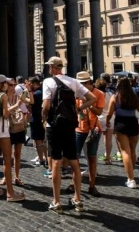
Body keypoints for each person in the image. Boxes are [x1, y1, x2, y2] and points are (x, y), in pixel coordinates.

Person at [42, 58, 96, 212]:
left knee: (56, 163)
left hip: (54, 125)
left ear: (52, 68)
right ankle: (78, 199)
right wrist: (78, 110)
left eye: (49, 67)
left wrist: (43, 117)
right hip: (70, 125)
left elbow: (46, 105)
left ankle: (56, 201)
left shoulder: (48, 82)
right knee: (74, 162)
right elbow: (91, 99)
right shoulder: (73, 81)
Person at [0, 75, 25, 202]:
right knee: (7, 160)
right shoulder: (3, 96)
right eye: (6, 83)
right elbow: (6, 114)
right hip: (2, 129)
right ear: (3, 84)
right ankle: (10, 193)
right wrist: (17, 105)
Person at [69, 72, 104, 196]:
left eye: (83, 84)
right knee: (75, 158)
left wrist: (88, 104)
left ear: (89, 83)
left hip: (93, 129)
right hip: (79, 129)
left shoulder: (99, 94)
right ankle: (74, 183)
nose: (81, 86)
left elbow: (99, 112)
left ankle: (92, 185)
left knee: (92, 157)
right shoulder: (76, 94)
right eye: (79, 84)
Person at [106, 77, 139, 188]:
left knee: (125, 152)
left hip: (120, 124)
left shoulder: (115, 97)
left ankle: (131, 179)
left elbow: (109, 113)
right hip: (133, 124)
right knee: (132, 150)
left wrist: (108, 121)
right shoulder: (134, 97)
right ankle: (131, 173)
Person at [27, 77, 47, 168]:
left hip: (36, 118)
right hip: (42, 118)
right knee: (43, 140)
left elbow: (30, 103)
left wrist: (26, 95)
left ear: (34, 83)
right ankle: (46, 158)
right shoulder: (43, 92)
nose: (29, 85)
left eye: (30, 83)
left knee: (38, 140)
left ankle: (41, 159)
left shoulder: (35, 94)